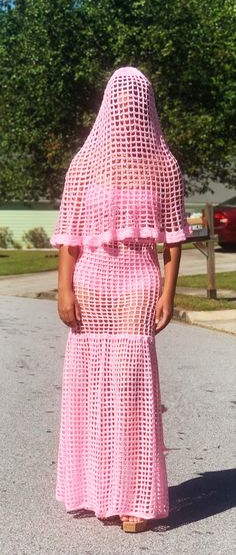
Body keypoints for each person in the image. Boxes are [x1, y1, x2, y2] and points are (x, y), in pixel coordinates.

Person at [50, 66, 192, 533]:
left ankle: (133, 495)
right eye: (122, 96)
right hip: (91, 283)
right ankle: (94, 487)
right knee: (92, 388)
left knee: (130, 390)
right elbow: (69, 237)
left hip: (138, 282)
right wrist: (64, 288)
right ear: (110, 102)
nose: (130, 105)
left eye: (138, 97)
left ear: (147, 104)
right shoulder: (84, 163)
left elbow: (173, 243)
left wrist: (168, 294)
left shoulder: (165, 165)